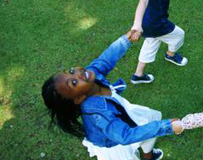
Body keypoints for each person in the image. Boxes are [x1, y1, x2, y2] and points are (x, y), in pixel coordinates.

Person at [41, 31, 183, 160]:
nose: (78, 74)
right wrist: (167, 127)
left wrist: (125, 40)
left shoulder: (91, 74)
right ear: (78, 98)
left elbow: (106, 59)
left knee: (150, 118)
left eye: (71, 71)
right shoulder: (98, 114)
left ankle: (148, 156)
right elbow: (125, 136)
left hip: (122, 114)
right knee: (147, 130)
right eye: (73, 82)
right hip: (115, 146)